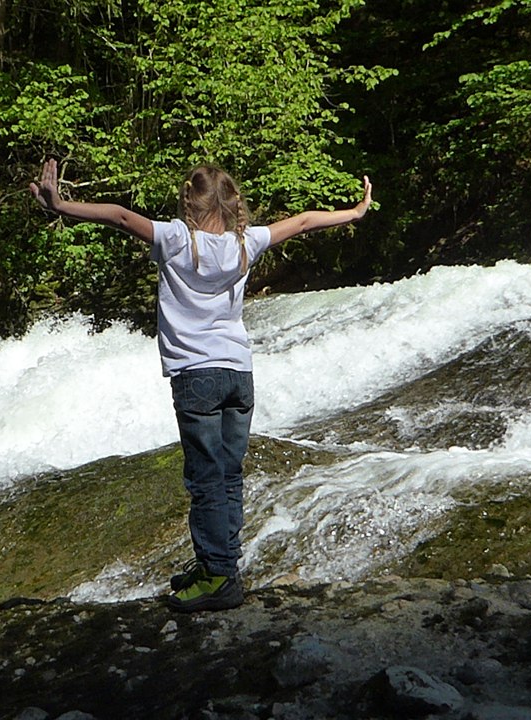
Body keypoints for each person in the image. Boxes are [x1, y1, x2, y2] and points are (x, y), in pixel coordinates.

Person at [30, 158, 373, 612]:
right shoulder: (247, 242)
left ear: (189, 203)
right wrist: (355, 212)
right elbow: (307, 221)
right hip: (239, 374)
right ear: (233, 204)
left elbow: (118, 215)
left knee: (206, 479)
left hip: (197, 376)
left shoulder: (176, 238)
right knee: (228, 476)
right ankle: (221, 565)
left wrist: (61, 205)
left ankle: (218, 577)